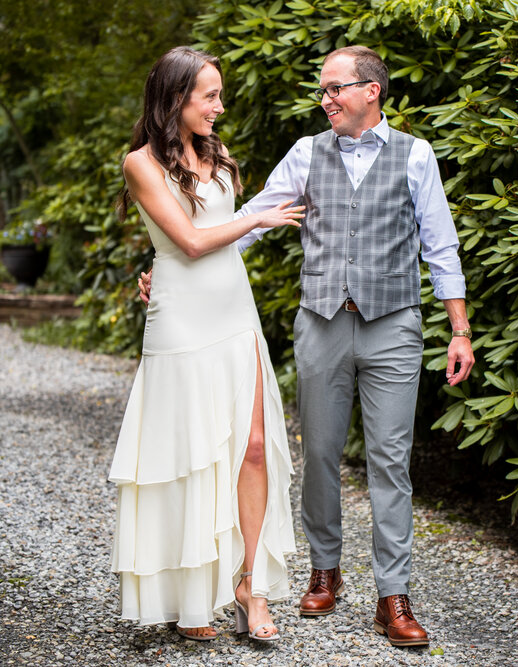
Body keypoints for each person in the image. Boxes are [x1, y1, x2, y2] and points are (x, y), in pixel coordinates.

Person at [141, 45, 474, 647]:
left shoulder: (415, 155)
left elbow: (441, 246)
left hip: (394, 325)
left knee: (390, 462)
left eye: (335, 88)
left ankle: (393, 597)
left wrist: (459, 330)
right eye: (323, 90)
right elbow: (253, 219)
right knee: (319, 453)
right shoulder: (305, 153)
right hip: (321, 324)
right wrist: (171, 268)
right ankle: (326, 570)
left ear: (371, 91)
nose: (326, 99)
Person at [109, 46, 304, 643]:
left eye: (219, 95)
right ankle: (190, 595)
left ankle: (251, 585)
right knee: (189, 453)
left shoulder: (217, 155)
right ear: (175, 100)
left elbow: (213, 237)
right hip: (182, 320)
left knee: (250, 446)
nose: (220, 107)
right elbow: (191, 242)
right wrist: (257, 220)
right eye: (209, 96)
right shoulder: (140, 163)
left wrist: (240, 222)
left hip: (233, 309)